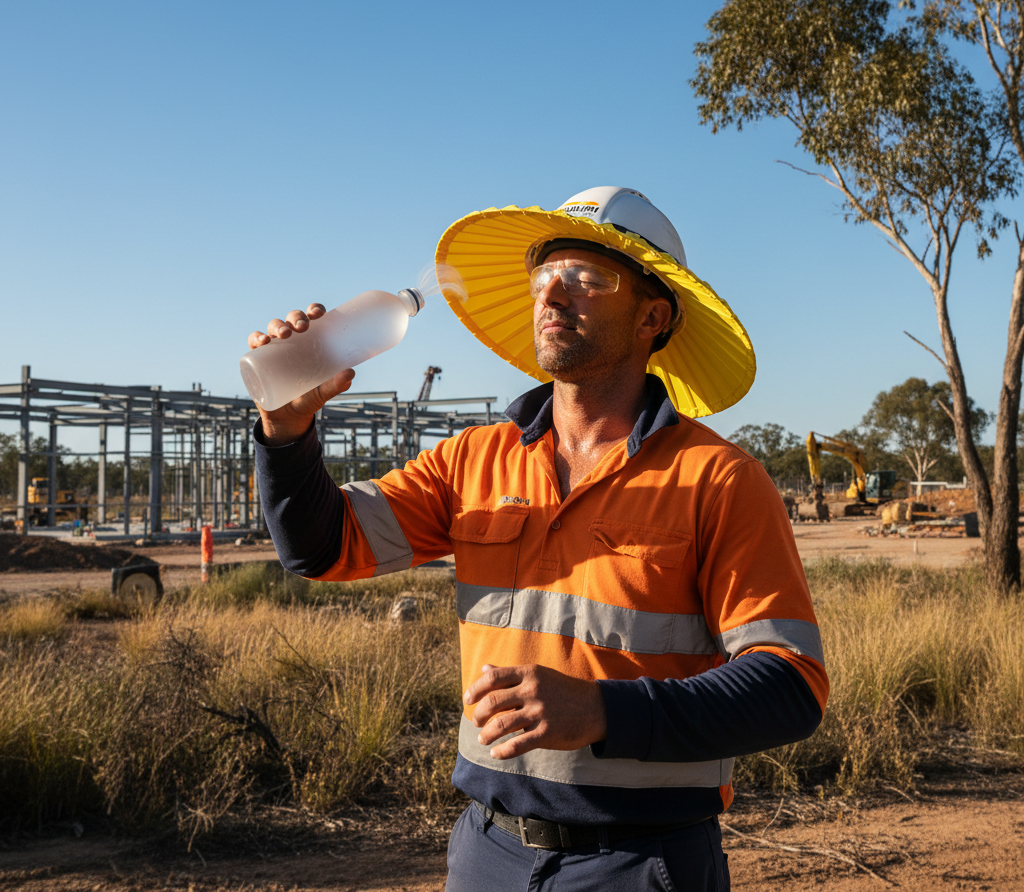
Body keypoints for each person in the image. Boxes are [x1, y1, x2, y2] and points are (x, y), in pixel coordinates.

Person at [250, 186, 828, 891]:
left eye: (587, 278)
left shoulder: (720, 480)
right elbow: (322, 547)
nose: (553, 296)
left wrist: (601, 710)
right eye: (544, 277)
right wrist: (287, 434)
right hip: (487, 850)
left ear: (653, 316)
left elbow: (790, 685)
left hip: (642, 863)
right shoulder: (474, 460)